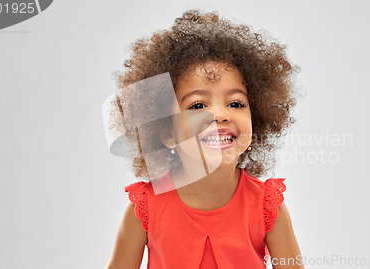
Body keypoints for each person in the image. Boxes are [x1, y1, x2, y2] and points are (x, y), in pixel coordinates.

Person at [106, 9, 304, 269]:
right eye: (198, 105)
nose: (220, 114)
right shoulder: (146, 209)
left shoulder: (266, 207)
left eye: (235, 103)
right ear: (166, 132)